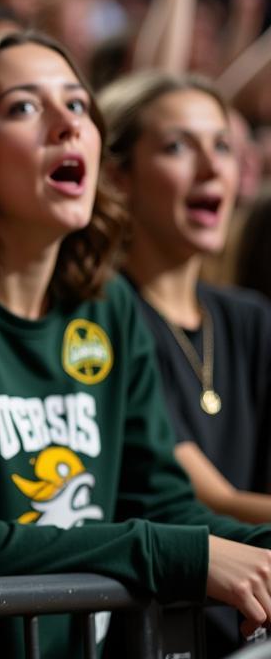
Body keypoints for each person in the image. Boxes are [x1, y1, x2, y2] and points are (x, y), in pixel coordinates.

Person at [0, 30, 271, 659]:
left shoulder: (105, 304)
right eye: (24, 107)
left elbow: (161, 501)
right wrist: (173, 553)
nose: (67, 126)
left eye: (77, 105)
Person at [101, 71, 271, 655]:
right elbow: (210, 500)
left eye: (222, 145)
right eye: (178, 146)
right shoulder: (104, 317)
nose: (211, 167)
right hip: (171, 630)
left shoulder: (250, 318)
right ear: (118, 176)